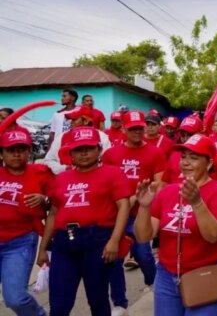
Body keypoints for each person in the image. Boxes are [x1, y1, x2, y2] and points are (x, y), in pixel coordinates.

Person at [134, 134, 217, 316]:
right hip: (166, 276)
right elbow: (143, 236)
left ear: (209, 164)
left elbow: (213, 235)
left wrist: (197, 203)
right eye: (183, 157)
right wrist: (144, 207)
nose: (186, 163)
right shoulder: (168, 192)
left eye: (194, 158)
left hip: (206, 275)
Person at [37, 127, 131, 316]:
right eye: (79, 149)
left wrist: (114, 240)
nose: (84, 153)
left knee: (98, 301)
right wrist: (43, 249)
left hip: (97, 241)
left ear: (98, 149)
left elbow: (124, 206)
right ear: (70, 153)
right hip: (64, 243)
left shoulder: (112, 173)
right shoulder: (62, 178)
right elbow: (53, 214)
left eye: (89, 148)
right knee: (59, 304)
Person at [102, 111, 165, 314]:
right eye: (133, 128)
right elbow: (105, 183)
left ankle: (154, 283)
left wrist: (138, 198)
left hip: (141, 213)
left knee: (143, 254)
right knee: (115, 258)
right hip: (116, 214)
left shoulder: (155, 153)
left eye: (140, 128)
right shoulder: (111, 154)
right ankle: (119, 303)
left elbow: (159, 183)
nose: (138, 132)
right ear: (124, 129)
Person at [0, 129, 52, 316]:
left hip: (19, 242)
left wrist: (44, 199)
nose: (16, 154)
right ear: (2, 153)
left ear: (29, 152)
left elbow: (59, 204)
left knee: (15, 298)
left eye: (21, 149)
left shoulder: (40, 173)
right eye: (11, 149)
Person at [159, 116, 217, 189]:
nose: (186, 139)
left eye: (191, 135)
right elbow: (163, 184)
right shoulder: (174, 154)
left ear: (202, 133)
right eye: (183, 135)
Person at [44, 105, 111, 174]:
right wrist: (64, 169)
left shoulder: (102, 137)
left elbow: (108, 161)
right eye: (70, 119)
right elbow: (49, 161)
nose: (71, 122)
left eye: (74, 119)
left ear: (86, 121)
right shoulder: (61, 137)